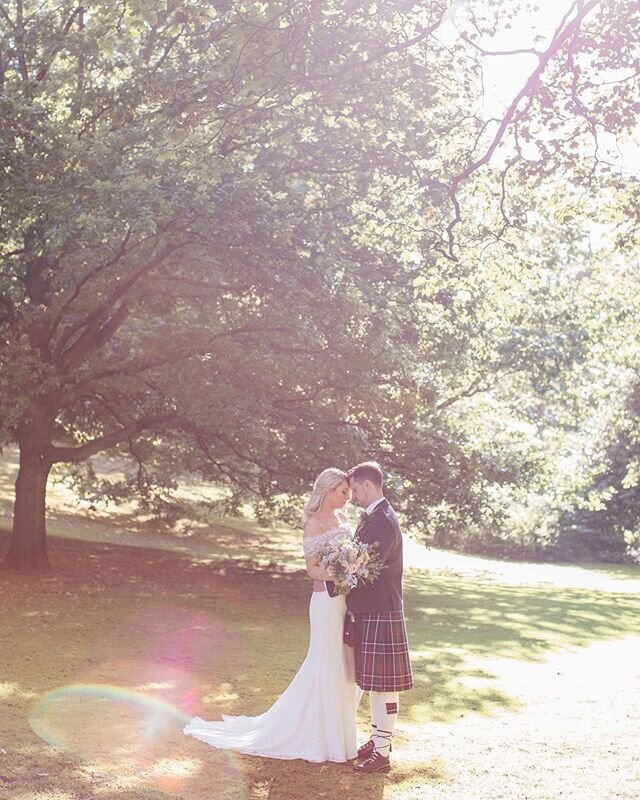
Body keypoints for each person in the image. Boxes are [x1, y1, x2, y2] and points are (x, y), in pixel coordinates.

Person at [183, 468, 359, 763]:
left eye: (349, 492)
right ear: (328, 491)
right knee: (325, 661)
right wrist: (340, 572)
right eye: (343, 491)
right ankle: (316, 735)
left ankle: (339, 733)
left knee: (343, 662)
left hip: (346, 602)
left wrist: (354, 569)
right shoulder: (313, 524)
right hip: (326, 602)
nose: (348, 497)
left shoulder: (343, 520)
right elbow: (312, 568)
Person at [329, 460, 413, 774]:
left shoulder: (383, 520)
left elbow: (364, 568)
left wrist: (335, 579)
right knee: (375, 683)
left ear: (367, 485)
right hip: (373, 609)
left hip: (381, 609)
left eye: (355, 489)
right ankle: (378, 741)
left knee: (383, 685)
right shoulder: (376, 516)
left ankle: (382, 752)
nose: (354, 496)